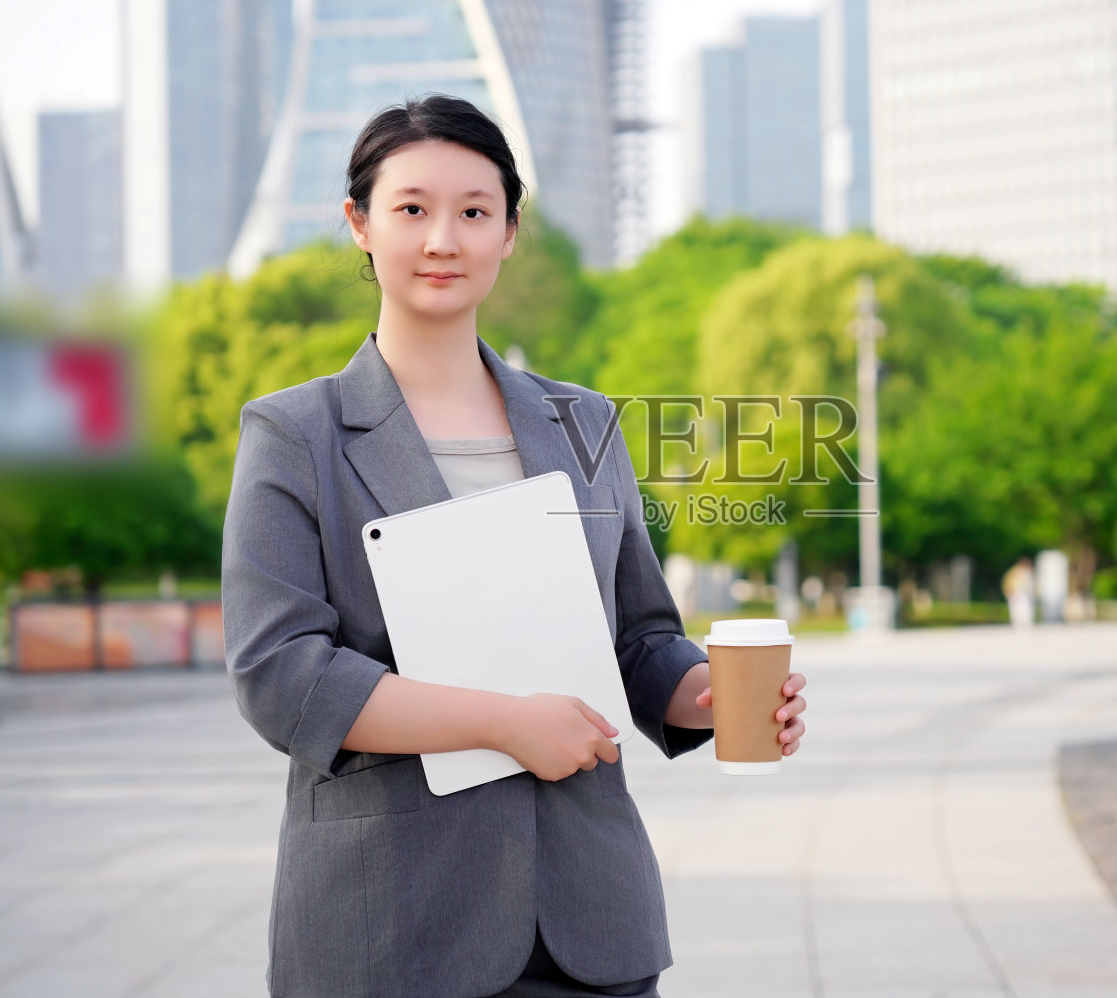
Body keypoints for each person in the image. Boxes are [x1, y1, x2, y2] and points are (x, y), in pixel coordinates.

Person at [221, 94, 809, 998]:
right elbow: (282, 674)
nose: (442, 239)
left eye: (474, 211)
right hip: (393, 930)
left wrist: (712, 696)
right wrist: (504, 722)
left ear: (509, 232)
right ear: (359, 225)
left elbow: (639, 641)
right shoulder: (295, 434)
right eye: (411, 209)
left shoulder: (584, 421)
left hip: (590, 923)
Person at [1001, 556, 1035, 629]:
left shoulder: (1016, 571)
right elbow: (1010, 583)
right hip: (1016, 593)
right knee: (1019, 609)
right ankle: (1019, 623)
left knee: (1023, 609)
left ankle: (1023, 623)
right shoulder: (1016, 571)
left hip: (1023, 594)